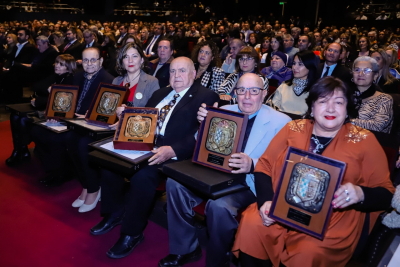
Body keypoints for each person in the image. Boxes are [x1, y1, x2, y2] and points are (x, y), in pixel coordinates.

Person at [232, 76, 395, 267]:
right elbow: (264, 167)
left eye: (339, 102)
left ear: (347, 108)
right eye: (323, 101)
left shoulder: (364, 141)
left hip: (331, 222)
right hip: (281, 209)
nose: (331, 109)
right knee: (252, 224)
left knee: (307, 251)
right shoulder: (292, 129)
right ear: (312, 107)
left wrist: (360, 194)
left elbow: (386, 193)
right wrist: (266, 201)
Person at [90, 57, 219, 259]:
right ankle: (114, 213)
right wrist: (127, 114)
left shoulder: (207, 96)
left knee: (143, 176)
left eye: (182, 71)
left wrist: (173, 150)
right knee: (110, 163)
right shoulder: (161, 93)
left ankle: (132, 233)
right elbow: (144, 119)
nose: (176, 76)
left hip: (175, 154)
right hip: (146, 144)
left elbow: (201, 135)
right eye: (173, 71)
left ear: (194, 74)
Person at [159, 73, 291, 267]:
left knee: (219, 206)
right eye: (241, 91)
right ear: (234, 93)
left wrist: (253, 164)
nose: (246, 97)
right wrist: (203, 122)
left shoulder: (282, 122)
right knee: (174, 184)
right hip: (215, 173)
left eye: (253, 91)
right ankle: (185, 248)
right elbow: (200, 141)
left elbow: (283, 164)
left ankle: (218, 260)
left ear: (263, 95)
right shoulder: (224, 110)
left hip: (248, 183)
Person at [6, 54, 76, 168]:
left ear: (68, 67)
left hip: (56, 114)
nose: (57, 66)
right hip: (45, 108)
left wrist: (41, 99)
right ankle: (20, 150)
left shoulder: (69, 79)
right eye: (57, 63)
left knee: (23, 119)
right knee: (14, 116)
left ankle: (22, 150)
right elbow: (37, 86)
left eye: (61, 64)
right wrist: (49, 92)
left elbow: (59, 101)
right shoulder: (56, 76)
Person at [67, 47, 114, 211]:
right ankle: (86, 185)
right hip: (76, 123)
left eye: (93, 60)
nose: (89, 63)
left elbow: (107, 112)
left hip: (97, 128)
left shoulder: (108, 80)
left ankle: (94, 189)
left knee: (83, 145)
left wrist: (91, 114)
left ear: (100, 61)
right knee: (69, 141)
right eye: (85, 60)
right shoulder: (78, 76)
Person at [350, 56, 393, 134]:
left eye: (366, 70)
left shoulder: (384, 99)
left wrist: (348, 121)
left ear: (375, 75)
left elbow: (377, 126)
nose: (360, 74)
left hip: (372, 142)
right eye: (357, 70)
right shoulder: (344, 95)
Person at [112, 42, 159, 110]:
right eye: (126, 57)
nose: (130, 60)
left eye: (134, 56)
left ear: (142, 60)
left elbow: (154, 112)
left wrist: (127, 112)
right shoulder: (116, 81)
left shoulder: (152, 82)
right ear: (122, 61)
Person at [271, 50, 318, 115]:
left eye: (300, 64)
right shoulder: (284, 85)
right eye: (294, 63)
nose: (295, 67)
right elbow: (272, 109)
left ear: (310, 66)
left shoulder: (316, 91)